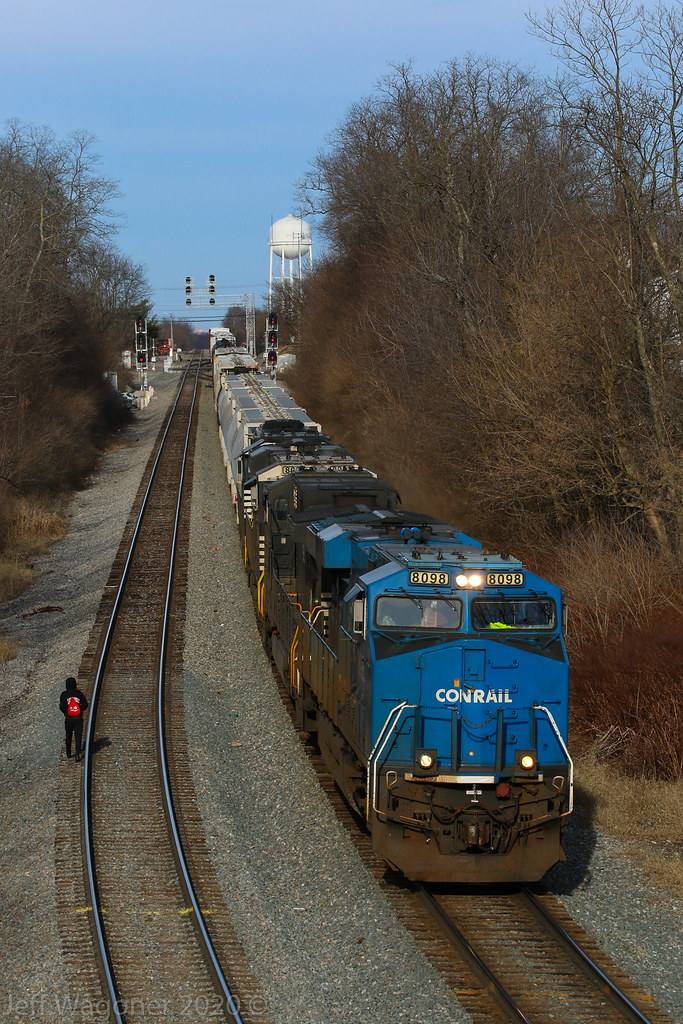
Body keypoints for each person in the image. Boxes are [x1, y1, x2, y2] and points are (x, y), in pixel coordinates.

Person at [59, 677, 89, 762]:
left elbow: (61, 707)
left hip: (68, 719)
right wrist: (80, 710)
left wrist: (66, 713)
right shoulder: (79, 693)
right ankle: (77, 754)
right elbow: (85, 704)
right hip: (78, 718)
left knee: (69, 735)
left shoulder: (64, 694)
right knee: (78, 736)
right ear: (75, 684)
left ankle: (68, 752)